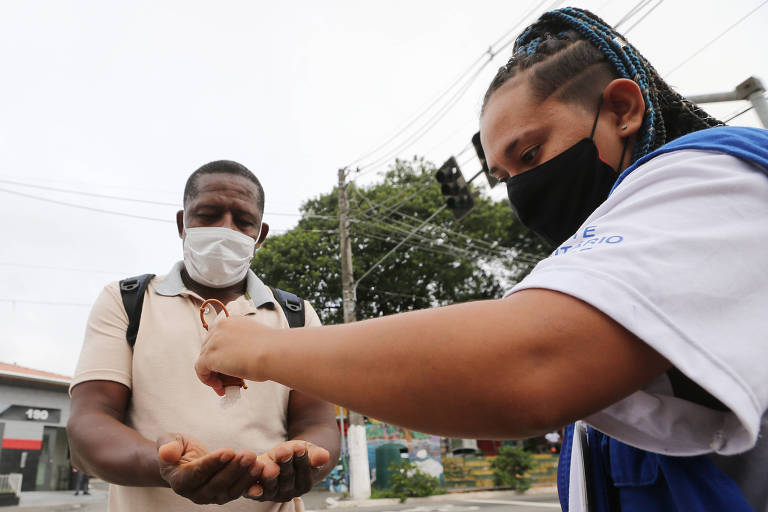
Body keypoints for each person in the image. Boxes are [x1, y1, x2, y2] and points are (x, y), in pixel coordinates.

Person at [193, 9, 768, 512]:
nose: (521, 192)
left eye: (531, 153)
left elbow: (527, 367)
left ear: (621, 109)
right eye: (503, 177)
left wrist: (262, 347)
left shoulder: (719, 177)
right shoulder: (610, 284)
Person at [67, 160, 340, 511]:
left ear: (260, 235)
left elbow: (319, 425)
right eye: (208, 215)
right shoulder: (126, 301)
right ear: (182, 223)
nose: (225, 230)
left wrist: (299, 462)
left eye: (243, 221)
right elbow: (88, 426)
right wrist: (166, 465)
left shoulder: (296, 316)